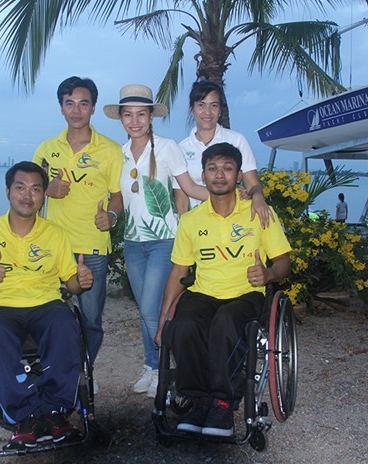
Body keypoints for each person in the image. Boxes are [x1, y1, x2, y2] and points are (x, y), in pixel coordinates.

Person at [155, 142, 291, 437]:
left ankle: (223, 403)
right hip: (204, 293)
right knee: (184, 325)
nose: (219, 175)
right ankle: (198, 400)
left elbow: (283, 262)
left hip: (245, 294)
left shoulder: (259, 213)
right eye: (212, 168)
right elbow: (179, 272)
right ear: (203, 175)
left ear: (239, 175)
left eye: (227, 168)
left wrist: (268, 274)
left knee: (225, 322)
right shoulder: (191, 221)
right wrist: (164, 321)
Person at [0, 161, 94, 450]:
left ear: (43, 195)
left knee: (65, 323)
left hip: (45, 304)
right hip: (0, 307)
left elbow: (70, 284)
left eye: (35, 189)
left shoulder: (55, 233)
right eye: (20, 188)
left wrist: (80, 281)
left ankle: (55, 413)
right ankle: (25, 417)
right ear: (8, 192)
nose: (27, 196)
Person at [103, 84, 210, 397]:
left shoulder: (167, 147)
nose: (134, 121)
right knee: (145, 309)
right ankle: (152, 365)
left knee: (152, 308)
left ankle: (166, 368)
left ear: (151, 116)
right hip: (132, 243)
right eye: (128, 115)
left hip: (165, 240)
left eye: (141, 114)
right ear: (121, 119)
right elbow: (115, 197)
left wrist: (228, 198)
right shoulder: (119, 154)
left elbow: (189, 188)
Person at [33, 76, 123, 365]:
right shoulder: (47, 149)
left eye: (83, 103)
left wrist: (111, 216)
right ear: (61, 107)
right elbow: (28, 193)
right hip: (52, 246)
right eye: (69, 103)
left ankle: (82, 373)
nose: (76, 110)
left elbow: (118, 195)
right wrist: (47, 188)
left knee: (91, 319)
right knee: (47, 314)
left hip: (92, 248)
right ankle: (53, 368)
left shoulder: (110, 150)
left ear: (93, 108)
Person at [176, 80, 271, 227]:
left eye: (214, 105)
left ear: (220, 110)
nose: (207, 112)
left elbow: (252, 184)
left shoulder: (237, 140)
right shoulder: (181, 149)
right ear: (192, 109)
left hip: (235, 224)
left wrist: (258, 197)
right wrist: (185, 228)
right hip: (198, 226)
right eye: (201, 105)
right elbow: (181, 200)